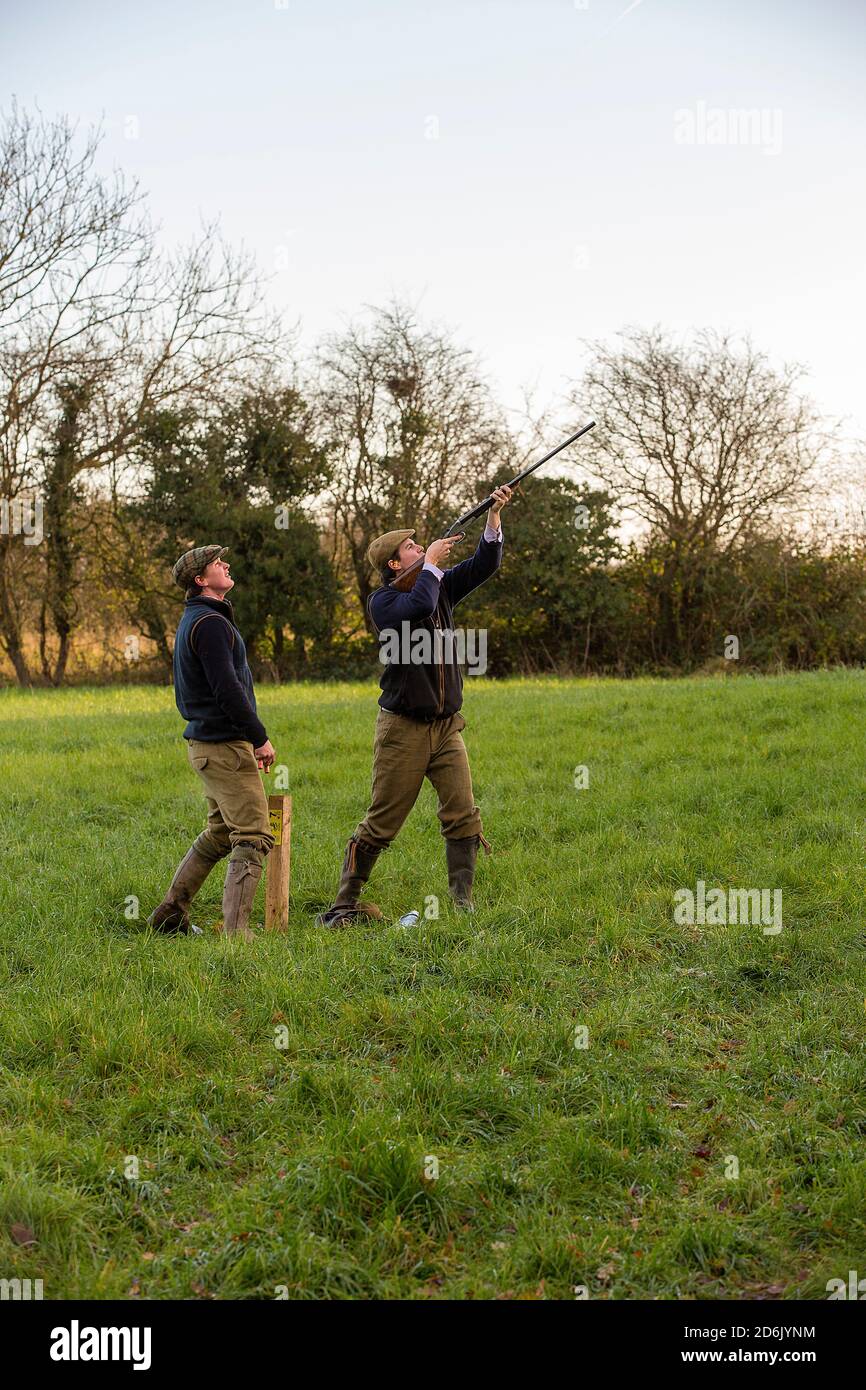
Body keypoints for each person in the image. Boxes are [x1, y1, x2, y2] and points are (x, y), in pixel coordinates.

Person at [318, 485, 512, 925]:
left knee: (463, 815)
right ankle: (344, 903)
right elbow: (419, 602)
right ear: (394, 564)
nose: (421, 547)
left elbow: (485, 565)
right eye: (411, 547)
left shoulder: (436, 584)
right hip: (402, 730)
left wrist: (493, 518)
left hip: (447, 728)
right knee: (381, 823)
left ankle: (462, 907)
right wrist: (430, 566)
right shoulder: (385, 601)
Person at [148, 545, 276, 941]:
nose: (226, 565)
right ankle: (237, 934)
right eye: (218, 564)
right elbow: (228, 690)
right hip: (224, 746)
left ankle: (170, 913)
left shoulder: (197, 620)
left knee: (221, 831)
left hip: (206, 745)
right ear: (201, 580)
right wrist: (259, 737)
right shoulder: (210, 624)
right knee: (253, 834)